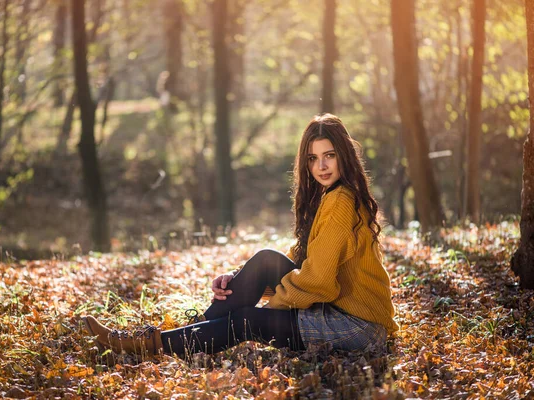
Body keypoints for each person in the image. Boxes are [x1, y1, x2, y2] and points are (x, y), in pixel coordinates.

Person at [81, 114, 399, 360]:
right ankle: (194, 330)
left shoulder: (342, 201)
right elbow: (307, 262)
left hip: (358, 327)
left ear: (343, 154)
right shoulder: (333, 196)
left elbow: (318, 282)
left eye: (329, 155)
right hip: (342, 309)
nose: (321, 166)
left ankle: (148, 344)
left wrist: (272, 303)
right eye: (313, 159)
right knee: (265, 260)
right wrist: (240, 281)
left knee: (246, 321)